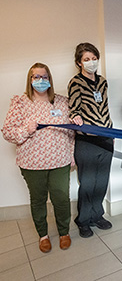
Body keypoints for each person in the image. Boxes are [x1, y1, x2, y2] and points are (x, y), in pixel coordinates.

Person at [2, 63, 74, 253]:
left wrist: (72, 154)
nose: (40, 81)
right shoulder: (20, 102)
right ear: (30, 80)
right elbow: (8, 133)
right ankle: (43, 235)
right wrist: (26, 129)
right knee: (38, 200)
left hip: (60, 160)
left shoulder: (62, 102)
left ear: (50, 79)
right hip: (32, 163)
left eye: (44, 77)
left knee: (61, 198)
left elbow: (72, 132)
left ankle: (64, 232)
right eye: (36, 77)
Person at [68, 42, 114, 238]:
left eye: (94, 58)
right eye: (86, 59)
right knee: (87, 182)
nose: (91, 62)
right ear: (79, 62)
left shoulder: (103, 81)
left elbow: (104, 106)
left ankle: (97, 215)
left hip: (106, 138)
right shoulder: (75, 83)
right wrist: (76, 118)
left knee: (102, 181)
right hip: (86, 140)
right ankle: (83, 219)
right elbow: (74, 109)